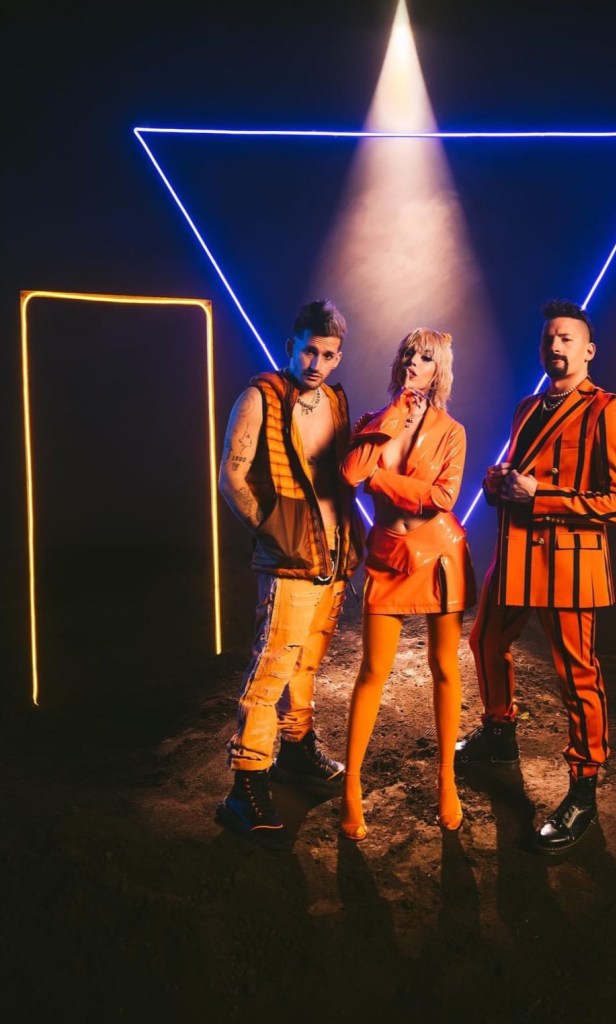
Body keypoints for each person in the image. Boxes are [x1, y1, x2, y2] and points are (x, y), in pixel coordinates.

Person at [455, 299, 616, 854]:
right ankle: (499, 732)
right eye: (549, 339)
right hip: (515, 556)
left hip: (569, 564)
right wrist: (497, 483)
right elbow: (519, 476)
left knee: (577, 677)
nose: (555, 346)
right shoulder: (527, 407)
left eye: (566, 339)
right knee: (485, 640)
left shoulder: (609, 408)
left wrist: (541, 494)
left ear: (589, 350)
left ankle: (584, 790)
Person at [215, 299, 364, 849]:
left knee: (305, 662)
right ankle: (246, 783)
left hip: (332, 555)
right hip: (289, 558)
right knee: (273, 665)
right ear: (291, 346)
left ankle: (296, 751)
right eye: (309, 351)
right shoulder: (262, 395)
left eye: (328, 354)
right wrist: (273, 532)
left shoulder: (337, 401)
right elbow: (231, 476)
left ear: (339, 356)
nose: (317, 363)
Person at [338, 328, 476, 841]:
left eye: (425, 357)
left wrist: (380, 480)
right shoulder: (374, 422)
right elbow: (351, 473)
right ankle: (351, 786)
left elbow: (442, 498)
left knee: (445, 668)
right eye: (409, 355)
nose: (414, 363)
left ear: (439, 370)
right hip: (387, 558)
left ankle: (447, 780)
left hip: (439, 554)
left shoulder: (452, 431)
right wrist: (393, 414)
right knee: (372, 672)